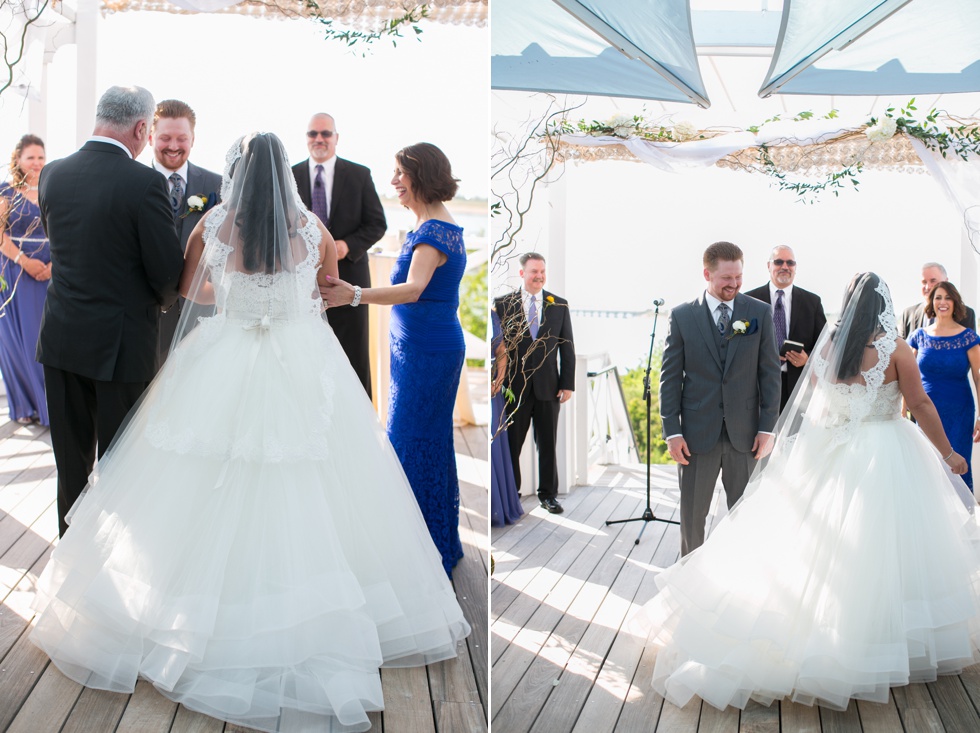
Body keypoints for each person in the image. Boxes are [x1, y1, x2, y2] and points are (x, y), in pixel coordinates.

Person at [30, 132, 470, 733]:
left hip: (224, 354)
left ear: (236, 173)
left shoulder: (215, 222)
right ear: (284, 173)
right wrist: (282, 298)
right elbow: (324, 290)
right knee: (319, 473)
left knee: (195, 471)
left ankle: (174, 611)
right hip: (300, 359)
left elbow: (188, 289)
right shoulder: (313, 227)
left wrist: (235, 293)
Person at [634, 272, 978, 713]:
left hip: (830, 450)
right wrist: (948, 453)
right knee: (888, 551)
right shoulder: (897, 350)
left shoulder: (829, 347)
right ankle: (881, 641)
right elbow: (922, 404)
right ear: (885, 306)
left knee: (820, 550)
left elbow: (819, 399)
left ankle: (826, 635)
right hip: (886, 451)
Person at [36, 86, 184, 537]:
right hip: (121, 351)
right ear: (142, 128)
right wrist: (161, 300)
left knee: (70, 470)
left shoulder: (52, 175)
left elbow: (68, 251)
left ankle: (68, 568)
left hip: (61, 342)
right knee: (124, 472)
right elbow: (166, 275)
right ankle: (117, 572)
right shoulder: (144, 183)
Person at [321, 142, 466, 575]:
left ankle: (417, 548)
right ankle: (431, 536)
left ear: (420, 176)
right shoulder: (432, 226)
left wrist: (355, 295)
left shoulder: (433, 233)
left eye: (400, 173)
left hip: (427, 352)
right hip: (417, 348)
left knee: (411, 441)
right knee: (426, 442)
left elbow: (414, 289)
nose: (394, 182)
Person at [660, 241, 781, 556]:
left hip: (747, 436)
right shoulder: (683, 316)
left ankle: (745, 587)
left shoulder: (758, 312)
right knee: (692, 520)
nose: (735, 284)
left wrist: (768, 428)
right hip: (696, 437)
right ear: (707, 274)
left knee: (748, 520)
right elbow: (670, 379)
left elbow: (769, 375)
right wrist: (672, 431)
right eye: (727, 278)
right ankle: (687, 586)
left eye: (738, 276)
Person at [292, 113, 387, 396]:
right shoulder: (290, 176)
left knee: (353, 356)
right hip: (302, 282)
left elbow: (377, 223)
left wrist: (347, 245)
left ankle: (361, 427)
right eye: (312, 134)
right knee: (306, 354)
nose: (319, 139)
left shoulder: (359, 174)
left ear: (336, 138)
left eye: (325, 134)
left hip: (350, 278)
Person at [494, 253, 575, 515]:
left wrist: (568, 384)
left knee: (548, 445)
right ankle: (512, 494)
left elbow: (568, 348)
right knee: (512, 444)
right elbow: (499, 347)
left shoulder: (559, 305)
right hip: (514, 389)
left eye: (542, 271)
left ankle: (548, 495)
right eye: (533, 272)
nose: (539, 276)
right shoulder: (503, 304)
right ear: (522, 274)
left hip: (549, 388)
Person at [148, 99, 222, 365]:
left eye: (182, 138)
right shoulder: (133, 182)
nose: (174, 146)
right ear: (149, 137)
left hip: (203, 312)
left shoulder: (218, 184)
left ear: (193, 138)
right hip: (151, 312)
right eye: (165, 138)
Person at [907, 281, 980, 490]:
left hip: (960, 411)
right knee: (927, 466)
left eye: (948, 298)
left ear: (955, 302)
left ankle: (962, 520)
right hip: (924, 410)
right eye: (938, 297)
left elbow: (978, 378)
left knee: (957, 467)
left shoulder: (969, 338)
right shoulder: (918, 337)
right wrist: (903, 413)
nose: (943, 302)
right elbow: (907, 378)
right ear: (931, 302)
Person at [0, 134, 51, 425]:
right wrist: (24, 261)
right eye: (31, 157)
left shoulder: (51, 189)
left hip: (51, 271)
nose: (36, 163)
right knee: (23, 339)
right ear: (18, 159)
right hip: (15, 271)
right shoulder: (6, 192)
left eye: (41, 157)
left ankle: (51, 406)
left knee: (47, 338)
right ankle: (30, 406)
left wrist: (53, 265)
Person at [744, 245, 826, 412]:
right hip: (758, 387)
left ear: (795, 268)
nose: (785, 267)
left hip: (799, 388)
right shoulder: (748, 300)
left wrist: (808, 359)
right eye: (779, 262)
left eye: (790, 263)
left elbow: (826, 346)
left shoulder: (812, 302)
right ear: (769, 266)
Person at [491, 309, 523, 526]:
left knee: (495, 446)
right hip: (487, 386)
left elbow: (501, 349)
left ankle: (500, 506)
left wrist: (499, 378)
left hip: (493, 389)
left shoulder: (493, 314)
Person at [899, 261, 976, 337]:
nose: (928, 287)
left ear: (946, 282)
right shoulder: (908, 314)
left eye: (933, 281)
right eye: (924, 282)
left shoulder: (966, 314)